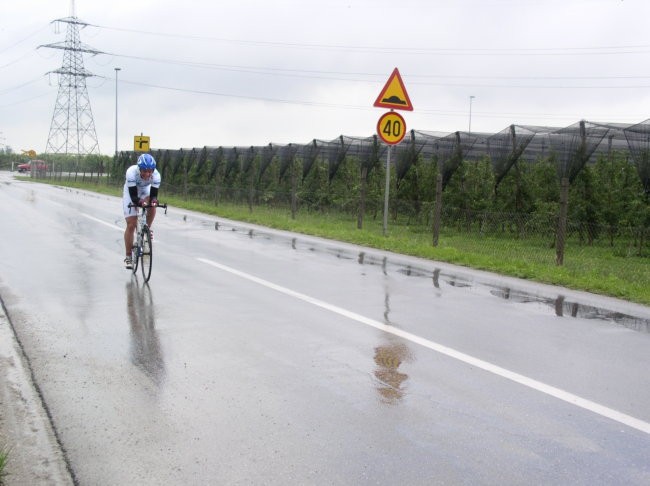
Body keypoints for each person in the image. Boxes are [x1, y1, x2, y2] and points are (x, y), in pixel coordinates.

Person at [123, 153, 161, 269]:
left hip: (146, 190)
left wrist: (153, 201)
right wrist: (139, 203)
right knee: (131, 224)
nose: (147, 174)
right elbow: (134, 197)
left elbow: (153, 195)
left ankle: (147, 229)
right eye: (144, 171)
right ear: (139, 168)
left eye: (150, 171)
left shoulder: (156, 176)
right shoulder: (131, 173)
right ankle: (128, 257)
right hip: (132, 191)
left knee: (152, 205)